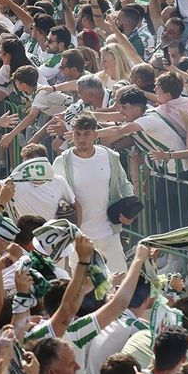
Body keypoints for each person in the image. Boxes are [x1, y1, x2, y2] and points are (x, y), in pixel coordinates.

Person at [52, 113, 135, 274]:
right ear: (72, 134)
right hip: (79, 237)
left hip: (109, 232)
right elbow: (54, 195)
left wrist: (130, 210)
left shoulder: (110, 157)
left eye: (86, 134)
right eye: (77, 134)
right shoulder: (62, 162)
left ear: (95, 135)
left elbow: (124, 185)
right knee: (83, 289)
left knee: (119, 284)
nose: (81, 139)